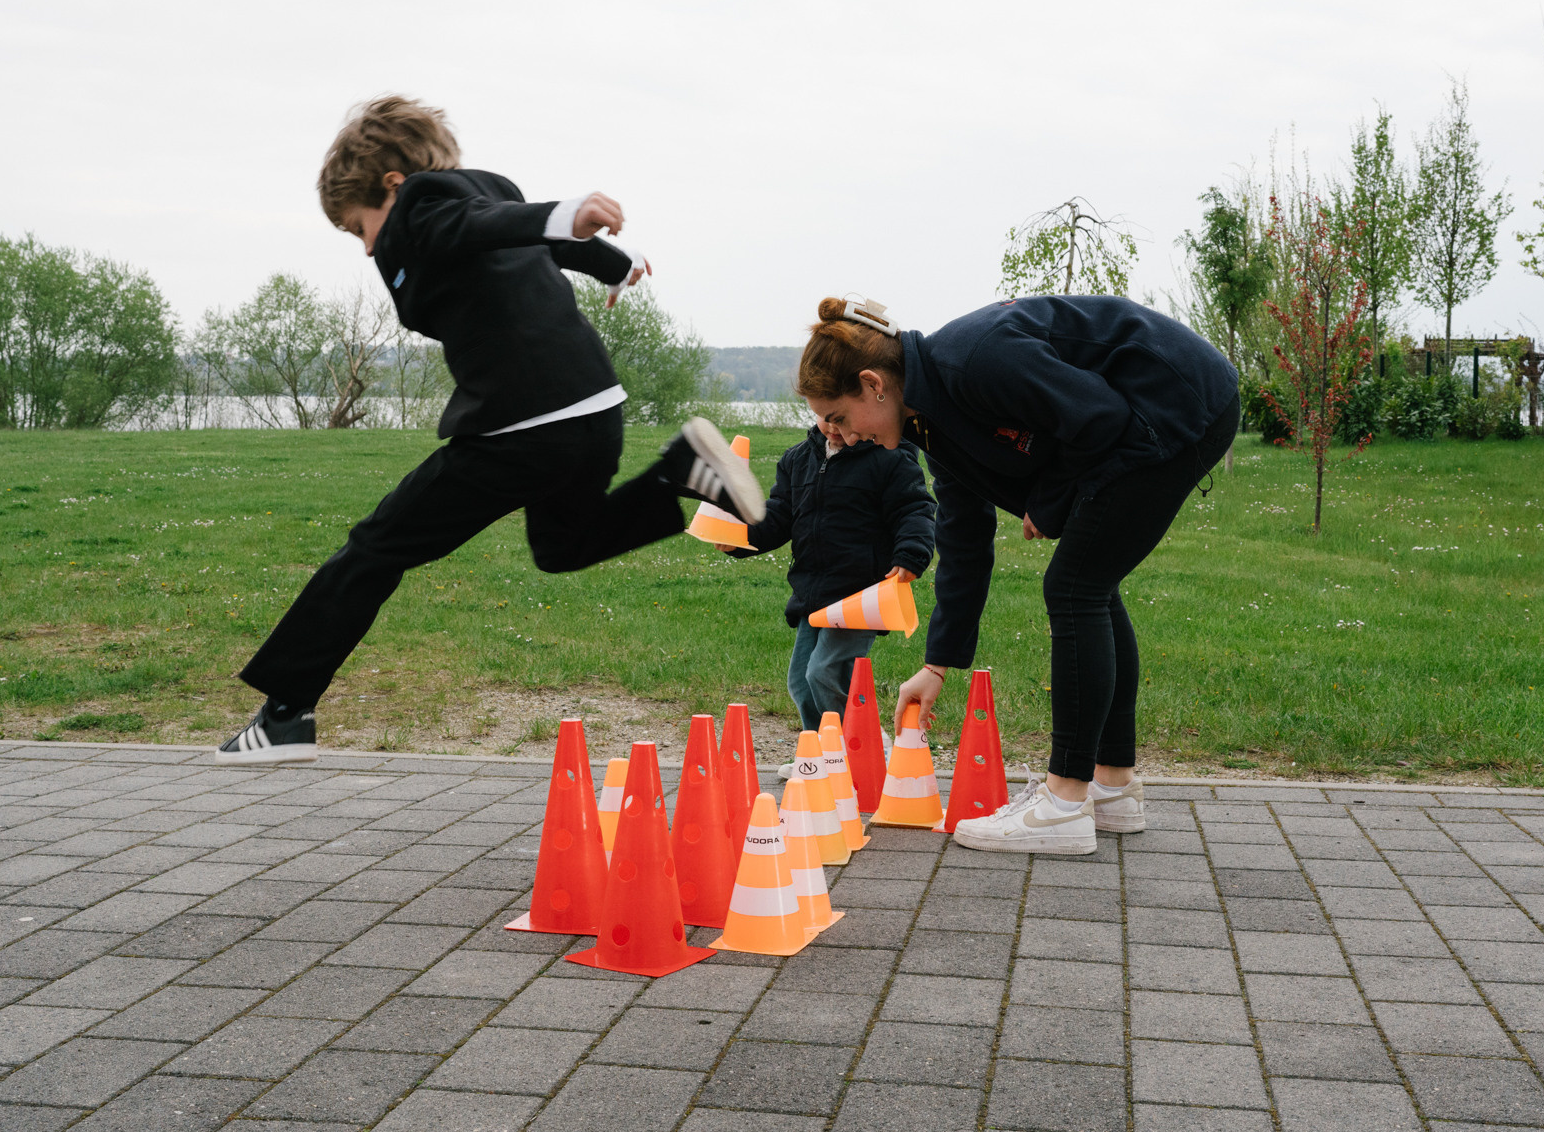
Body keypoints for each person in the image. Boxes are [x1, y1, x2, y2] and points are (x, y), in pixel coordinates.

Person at [218, 96, 764, 765]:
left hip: (523, 425)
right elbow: (517, 233)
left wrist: (569, 212)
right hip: (593, 411)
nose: (367, 247)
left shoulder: (421, 205)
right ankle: (679, 471)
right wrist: (611, 263)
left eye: (360, 226)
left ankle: (285, 714)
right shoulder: (488, 192)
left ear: (391, 183)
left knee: (375, 548)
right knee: (562, 544)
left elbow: (488, 224)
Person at [794, 293, 1238, 854]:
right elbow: (963, 537)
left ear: (873, 384)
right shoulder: (930, 420)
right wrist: (937, 664)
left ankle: (1064, 805)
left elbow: (1100, 417)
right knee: (1091, 585)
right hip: (1159, 407)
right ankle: (1113, 787)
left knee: (1075, 587)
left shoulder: (974, 360)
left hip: (1177, 398)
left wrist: (1049, 503)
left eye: (838, 417)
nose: (838, 435)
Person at [717, 411, 935, 754]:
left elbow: (914, 509)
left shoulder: (890, 458)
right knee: (801, 682)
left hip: (860, 597)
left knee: (824, 672)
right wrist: (741, 537)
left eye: (843, 418)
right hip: (813, 595)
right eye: (826, 417)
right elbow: (778, 516)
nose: (833, 428)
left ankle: (864, 747)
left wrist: (910, 554)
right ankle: (821, 754)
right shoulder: (797, 458)